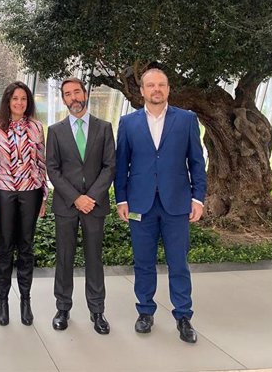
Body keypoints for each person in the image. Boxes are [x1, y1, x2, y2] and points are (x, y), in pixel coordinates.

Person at [114, 67, 207, 343]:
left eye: (161, 85)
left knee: (179, 262)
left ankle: (183, 316)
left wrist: (198, 197)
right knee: (143, 263)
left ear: (168, 89)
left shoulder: (187, 119)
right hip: (140, 204)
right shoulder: (128, 123)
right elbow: (122, 166)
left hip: (177, 203)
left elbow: (197, 162)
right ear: (141, 91)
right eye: (151, 85)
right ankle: (145, 311)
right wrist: (121, 198)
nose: (156, 89)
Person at [46, 77, 116, 334]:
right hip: (66, 205)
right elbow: (52, 169)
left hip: (94, 206)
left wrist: (91, 197)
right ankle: (62, 308)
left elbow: (110, 166)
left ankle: (97, 311)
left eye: (77, 92)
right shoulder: (55, 131)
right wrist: (76, 198)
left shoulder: (104, 127)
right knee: (64, 258)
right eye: (67, 94)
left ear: (85, 94)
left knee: (94, 259)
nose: (73, 97)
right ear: (63, 99)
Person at [0, 81, 47, 326]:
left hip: (30, 191)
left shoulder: (36, 127)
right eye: (15, 99)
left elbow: (42, 163)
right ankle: (2, 300)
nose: (19, 103)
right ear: (7, 101)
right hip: (3, 192)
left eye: (24, 99)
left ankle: (25, 299)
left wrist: (43, 196)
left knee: (26, 247)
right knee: (4, 248)